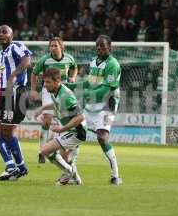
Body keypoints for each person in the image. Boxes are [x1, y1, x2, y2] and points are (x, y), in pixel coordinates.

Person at [75, 35, 122, 185]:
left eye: (102, 46)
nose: (99, 48)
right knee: (75, 132)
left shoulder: (113, 65)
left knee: (101, 137)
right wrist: (78, 89)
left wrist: (85, 94)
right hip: (92, 104)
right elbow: (90, 83)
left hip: (107, 104)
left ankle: (116, 175)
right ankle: (70, 172)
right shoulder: (93, 62)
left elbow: (106, 90)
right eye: (97, 46)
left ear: (110, 47)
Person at [0, 24, 32, 181]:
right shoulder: (1, 54)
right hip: (4, 94)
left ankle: (20, 168)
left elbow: (27, 61)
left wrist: (14, 75)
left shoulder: (16, 46)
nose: (1, 34)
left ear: (11, 35)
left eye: (5, 32)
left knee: (7, 132)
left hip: (15, 92)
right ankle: (11, 166)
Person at [30, 37, 77, 163]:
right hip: (47, 90)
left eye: (55, 46)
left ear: (61, 47)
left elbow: (74, 67)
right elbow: (34, 73)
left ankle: (67, 149)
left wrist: (72, 77)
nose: (53, 48)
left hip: (63, 91)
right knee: (47, 119)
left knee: (66, 119)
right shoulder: (44, 60)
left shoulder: (69, 58)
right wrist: (33, 90)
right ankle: (42, 150)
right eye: (51, 46)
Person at [34, 68, 85, 185]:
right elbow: (56, 104)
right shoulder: (55, 92)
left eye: (48, 82)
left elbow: (80, 117)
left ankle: (69, 172)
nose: (45, 85)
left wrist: (62, 129)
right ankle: (76, 179)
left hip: (77, 132)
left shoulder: (65, 95)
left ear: (57, 81)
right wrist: (42, 108)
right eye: (44, 82)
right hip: (71, 131)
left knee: (45, 151)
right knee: (66, 159)